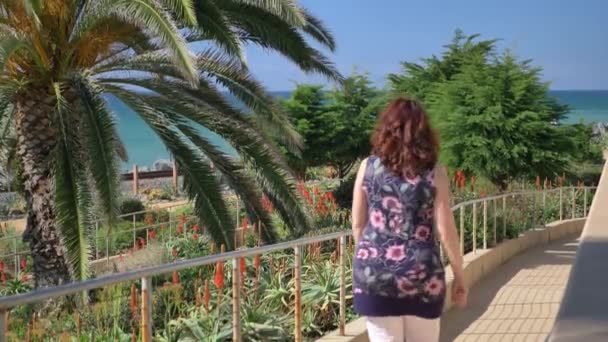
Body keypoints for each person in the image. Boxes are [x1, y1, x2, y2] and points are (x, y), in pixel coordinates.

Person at [351, 98, 467, 342]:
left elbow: (358, 225)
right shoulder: (435, 172)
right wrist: (459, 275)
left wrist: (373, 257)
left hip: (373, 275)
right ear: (424, 133)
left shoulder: (367, 167)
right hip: (422, 275)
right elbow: (446, 231)